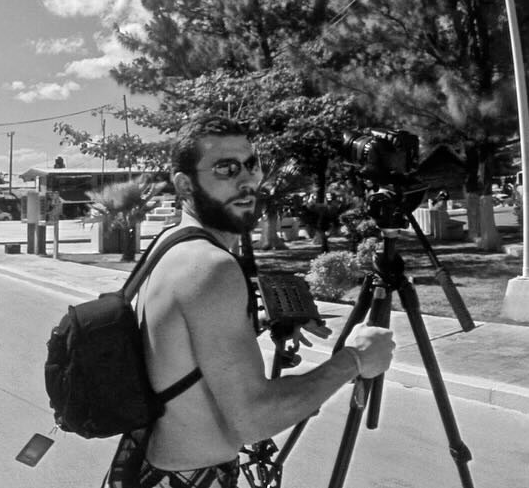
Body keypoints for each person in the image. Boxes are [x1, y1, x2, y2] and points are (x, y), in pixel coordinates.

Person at [109, 115, 395, 488]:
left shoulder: (171, 242)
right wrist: (355, 359)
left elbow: (180, 348)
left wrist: (259, 322)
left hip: (155, 468)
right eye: (226, 168)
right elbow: (254, 420)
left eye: (251, 164)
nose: (247, 180)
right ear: (184, 184)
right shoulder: (211, 267)